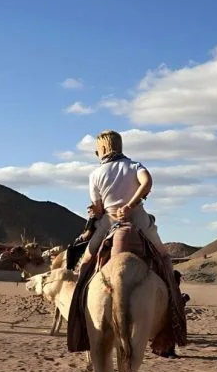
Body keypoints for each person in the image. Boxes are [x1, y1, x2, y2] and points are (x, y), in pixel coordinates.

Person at [77, 129, 188, 356]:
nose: (96, 153)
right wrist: (131, 204)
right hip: (138, 219)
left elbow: (98, 208)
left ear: (103, 149)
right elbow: (147, 182)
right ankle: (173, 321)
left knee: (85, 265)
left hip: (108, 221)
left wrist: (95, 210)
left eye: (97, 149)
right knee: (165, 261)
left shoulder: (95, 174)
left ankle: (81, 324)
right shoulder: (134, 165)